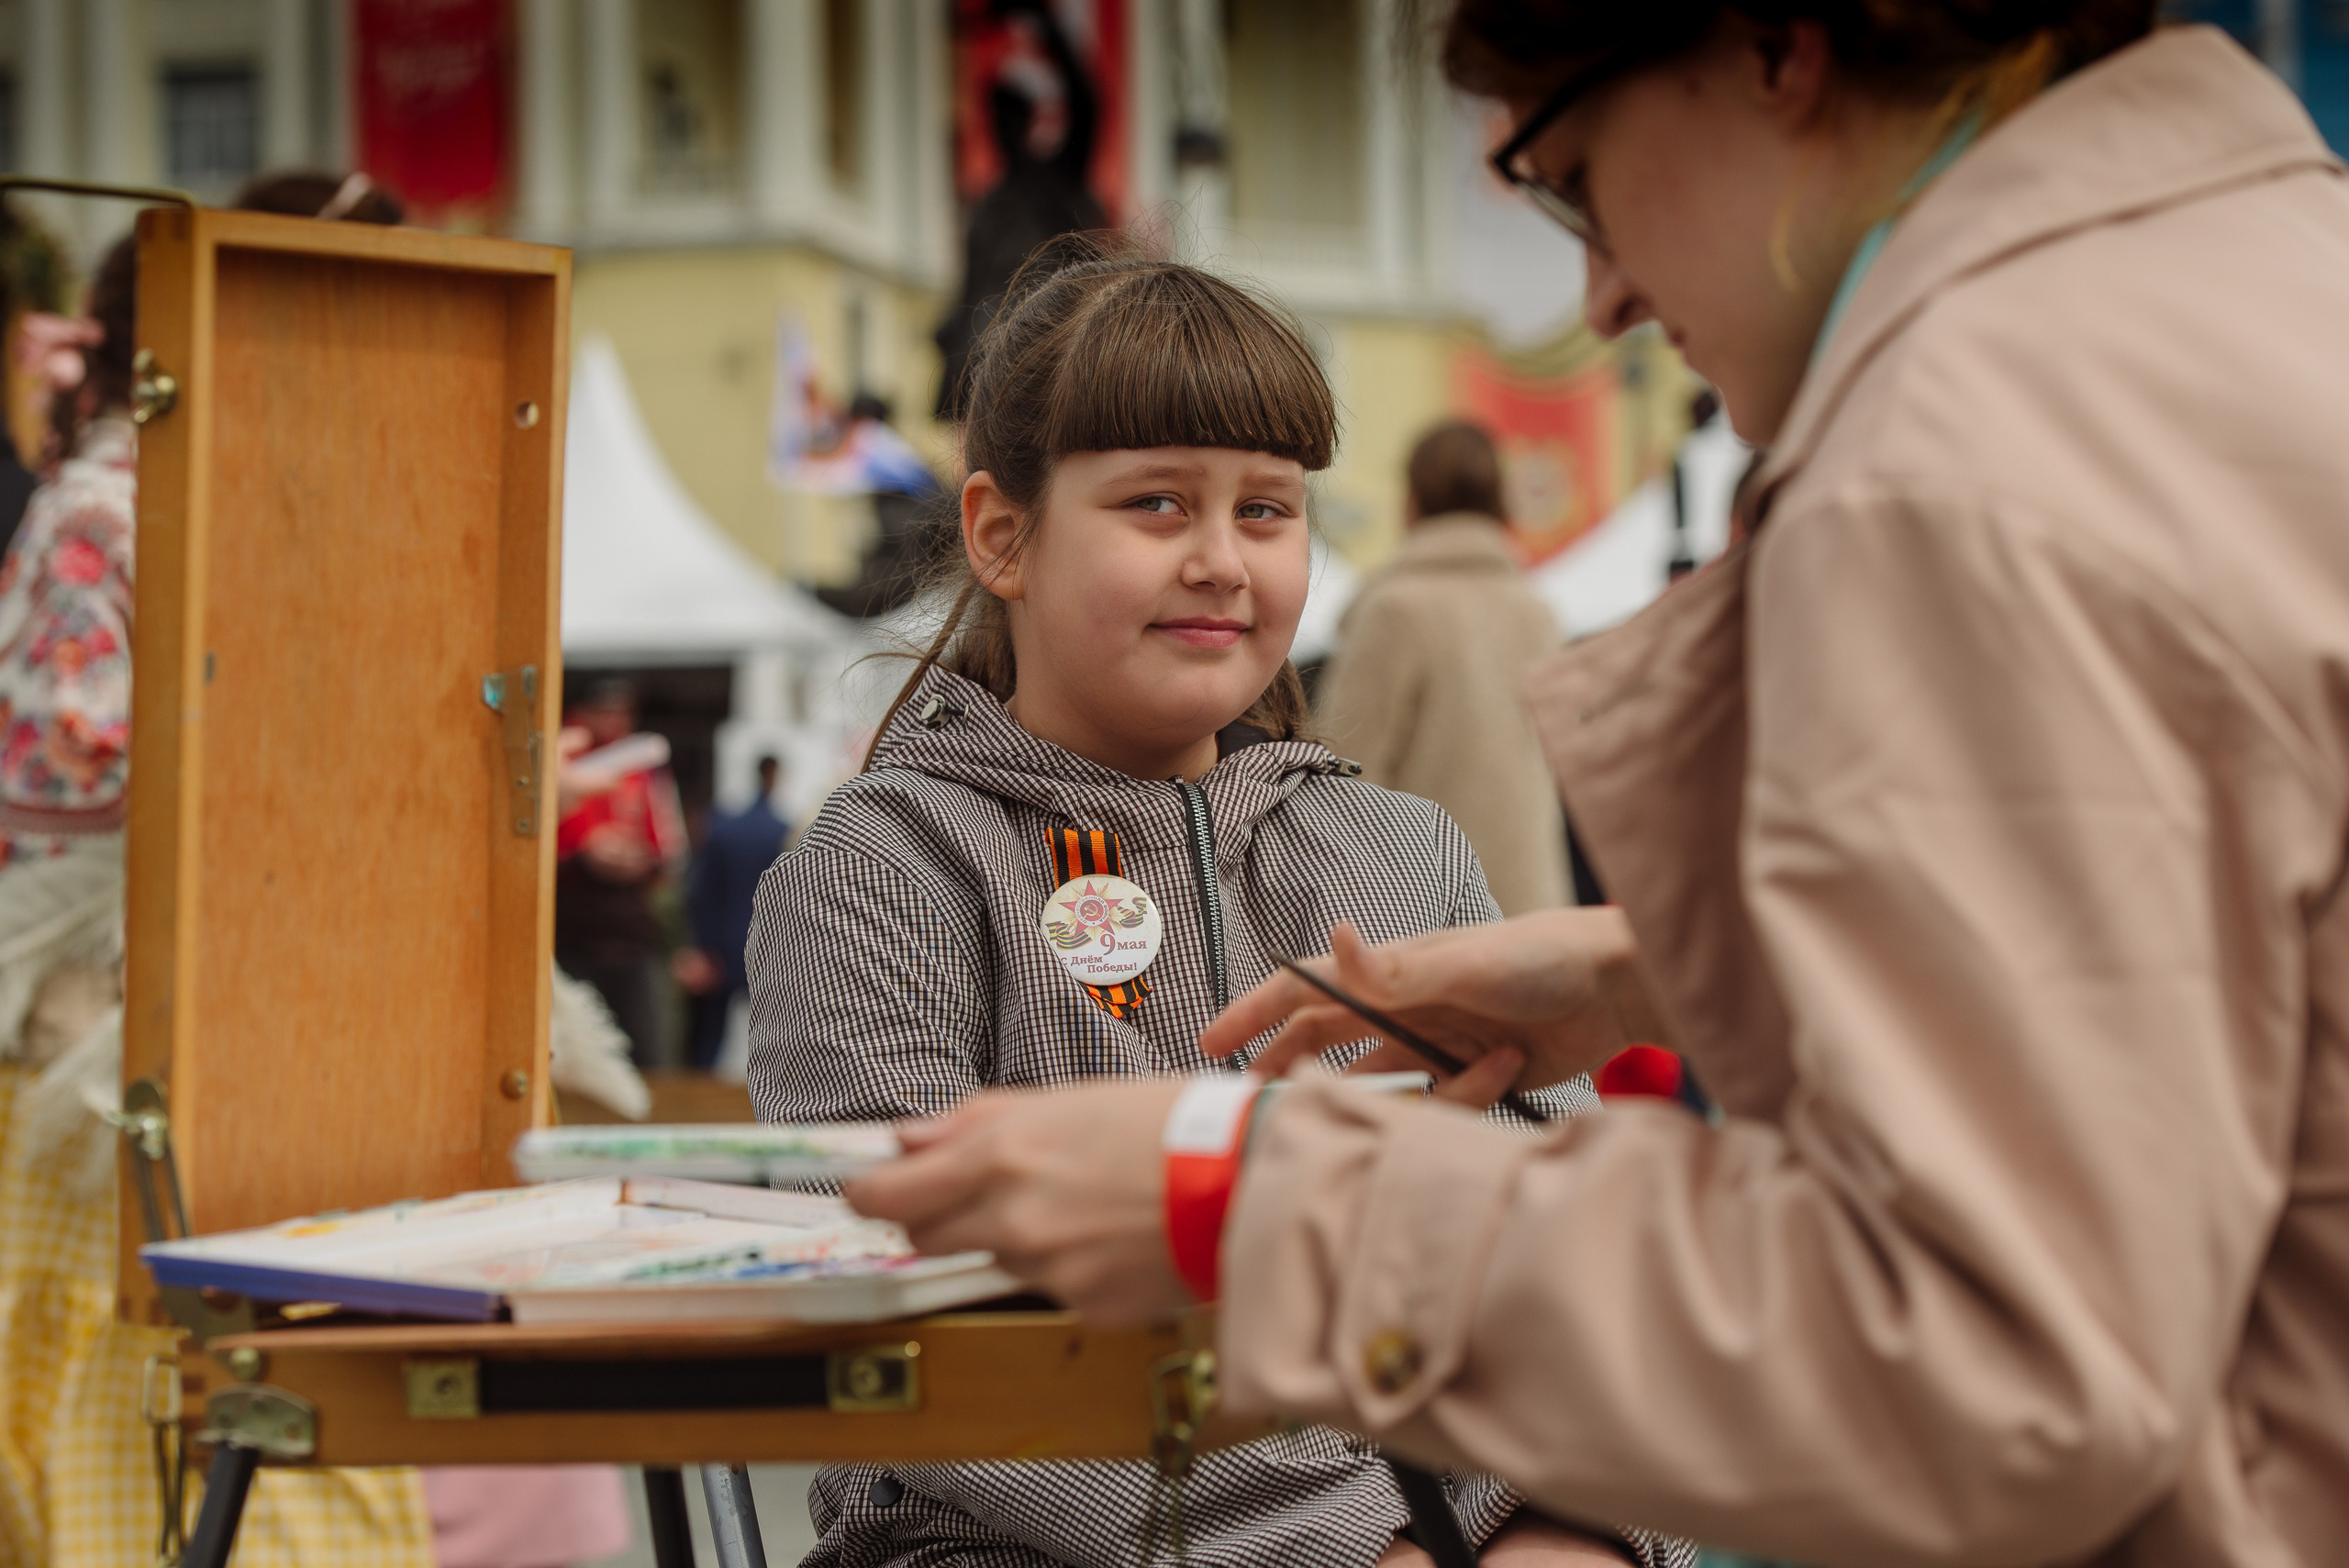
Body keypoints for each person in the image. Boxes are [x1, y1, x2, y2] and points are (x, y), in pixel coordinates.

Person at [841, 6, 2349, 1567]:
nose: (1604, 288)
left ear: (1776, 48)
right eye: (1155, 503)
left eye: (1574, 178)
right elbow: (2190, 973)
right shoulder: (2275, 277)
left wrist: (1283, 1208)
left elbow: (1996, 1349)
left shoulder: (1958, 457)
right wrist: (1680, 966)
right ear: (1001, 532)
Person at [747, 252, 1685, 1567]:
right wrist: (1376, 1546)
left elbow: (1582, 1258)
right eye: (1154, 504)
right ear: (1001, 533)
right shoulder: (886, 869)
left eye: (1266, 509)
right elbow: (908, 1341)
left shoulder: (1401, 850)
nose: (1220, 561)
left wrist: (1580, 1529)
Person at [0, 233, 435, 1565]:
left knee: (257, 1396)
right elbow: (63, 776)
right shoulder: (114, 506)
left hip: (244, 1014)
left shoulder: (253, 490)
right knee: (149, 1397)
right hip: (125, 1026)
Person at [1316, 420, 1569, 916]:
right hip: (1533, 905)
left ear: (1411, 500)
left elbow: (1343, 780)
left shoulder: (1395, 610)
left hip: (1428, 911)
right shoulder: (1536, 611)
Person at [933, 0, 1108, 420]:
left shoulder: (1059, 175)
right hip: (984, 359)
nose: (1002, 129)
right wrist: (948, 332)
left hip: (1048, 342)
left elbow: (1087, 102)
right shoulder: (988, 203)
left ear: (1031, 120)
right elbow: (972, 283)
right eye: (996, 118)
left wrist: (1043, 21)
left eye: (1011, 117)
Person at [553, 679, 686, 1067]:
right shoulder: (565, 759)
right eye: (606, 710)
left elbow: (667, 850)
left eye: (622, 711)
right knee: (573, 1060)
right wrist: (584, 853)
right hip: (573, 931)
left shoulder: (642, 769)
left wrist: (636, 857)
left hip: (629, 934)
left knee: (651, 1057)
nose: (615, 720)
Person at [677, 754, 791, 1070]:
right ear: (775, 775)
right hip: (771, 946)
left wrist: (702, 944)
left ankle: (697, 1102)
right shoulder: (782, 831)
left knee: (708, 1040)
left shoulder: (723, 828)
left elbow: (701, 893)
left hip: (722, 941)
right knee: (775, 1033)